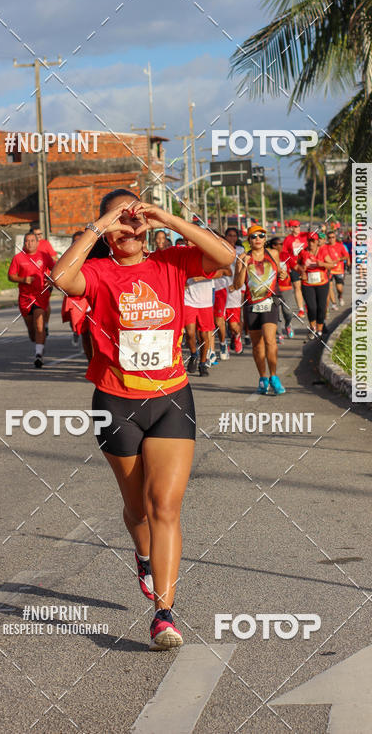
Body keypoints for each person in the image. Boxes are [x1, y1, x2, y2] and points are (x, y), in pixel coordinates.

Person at [51, 189, 234, 650]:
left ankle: (164, 614)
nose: (129, 229)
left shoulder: (171, 262)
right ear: (108, 229)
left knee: (164, 508)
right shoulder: (96, 271)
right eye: (121, 222)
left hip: (171, 398)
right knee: (136, 509)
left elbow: (226, 256)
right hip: (115, 402)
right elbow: (59, 278)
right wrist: (104, 220)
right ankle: (144, 555)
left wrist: (166, 217)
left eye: (136, 221)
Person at [234, 224, 288, 395]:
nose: (257, 239)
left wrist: (283, 275)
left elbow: (280, 273)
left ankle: (274, 376)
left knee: (270, 339)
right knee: (257, 345)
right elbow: (237, 285)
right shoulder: (242, 257)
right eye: (253, 236)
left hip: (270, 301)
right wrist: (244, 266)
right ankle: (263, 378)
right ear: (249, 240)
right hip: (251, 304)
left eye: (261, 236)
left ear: (265, 239)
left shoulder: (273, 254)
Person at [8, 231, 55, 368]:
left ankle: (38, 355)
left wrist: (52, 280)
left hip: (41, 295)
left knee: (40, 325)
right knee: (32, 332)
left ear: (37, 242)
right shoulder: (18, 258)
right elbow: (11, 276)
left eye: (32, 241)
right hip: (25, 298)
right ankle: (38, 344)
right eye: (27, 241)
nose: (30, 243)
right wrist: (23, 279)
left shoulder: (44, 256)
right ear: (24, 243)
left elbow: (55, 269)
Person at [296, 233, 336, 340]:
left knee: (321, 307)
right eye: (309, 241)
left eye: (313, 241)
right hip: (307, 284)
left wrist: (322, 264)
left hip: (322, 283)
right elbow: (297, 264)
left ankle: (319, 329)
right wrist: (301, 271)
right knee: (312, 307)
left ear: (317, 241)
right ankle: (312, 328)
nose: (311, 243)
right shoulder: (303, 252)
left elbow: (332, 264)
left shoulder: (323, 251)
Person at [61, 231, 90, 346]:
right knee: (80, 327)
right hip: (75, 297)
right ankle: (76, 331)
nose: (78, 243)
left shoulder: (94, 254)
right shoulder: (67, 258)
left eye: (80, 241)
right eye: (75, 241)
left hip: (90, 296)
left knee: (91, 330)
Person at [267, 236, 295, 339]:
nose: (281, 246)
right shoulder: (267, 256)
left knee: (288, 312)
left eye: (282, 244)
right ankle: (279, 333)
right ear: (274, 246)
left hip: (286, 288)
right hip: (273, 288)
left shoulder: (285, 255)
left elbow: (294, 266)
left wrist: (301, 270)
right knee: (275, 313)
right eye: (279, 244)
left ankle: (288, 324)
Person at [282, 220, 308, 318]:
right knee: (297, 287)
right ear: (291, 228)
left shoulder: (305, 236)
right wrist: (288, 266)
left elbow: (317, 237)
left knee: (306, 287)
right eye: (295, 226)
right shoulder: (288, 239)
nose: (297, 228)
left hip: (306, 265)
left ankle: (307, 303)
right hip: (295, 266)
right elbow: (284, 254)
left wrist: (323, 229)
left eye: (298, 226)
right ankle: (301, 309)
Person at [324, 229, 350, 308]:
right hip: (329, 270)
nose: (331, 239)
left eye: (333, 237)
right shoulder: (325, 247)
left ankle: (340, 296)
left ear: (335, 238)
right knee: (329, 286)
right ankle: (334, 303)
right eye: (330, 237)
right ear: (328, 238)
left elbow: (346, 256)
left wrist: (340, 259)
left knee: (339, 288)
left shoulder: (340, 246)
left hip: (339, 269)